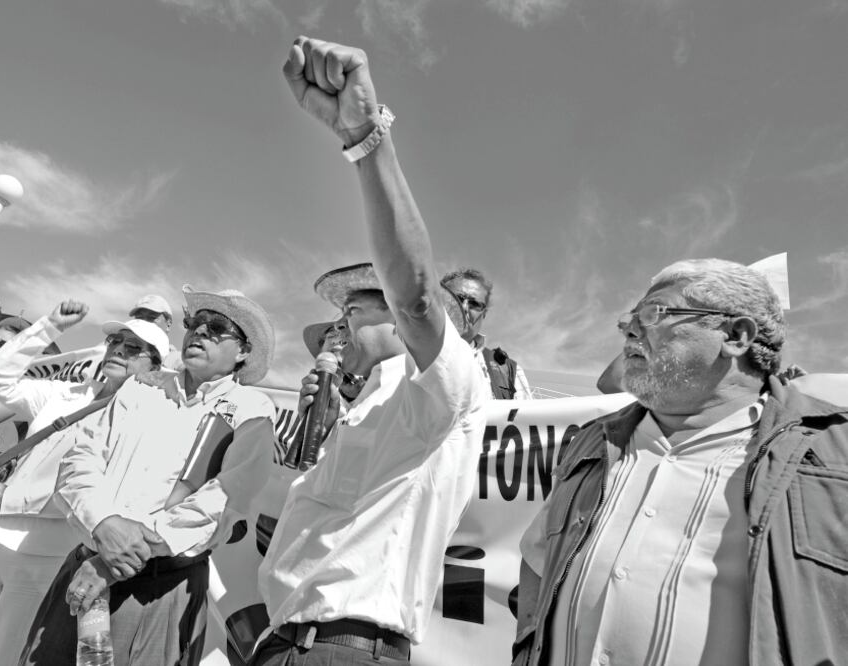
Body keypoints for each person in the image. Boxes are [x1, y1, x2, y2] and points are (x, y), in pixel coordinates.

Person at [252, 38, 490, 666]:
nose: (339, 326)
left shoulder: (444, 385)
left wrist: (364, 141)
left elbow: (414, 295)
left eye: (353, 310)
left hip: (342, 649)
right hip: (293, 642)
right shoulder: (369, 405)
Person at [513, 258, 848, 666]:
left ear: (736, 335)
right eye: (629, 319)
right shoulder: (592, 443)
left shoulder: (828, 454)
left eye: (655, 313)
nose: (631, 329)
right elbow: (536, 560)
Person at [19, 285, 277, 666]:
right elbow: (79, 462)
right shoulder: (141, 387)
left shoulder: (251, 409)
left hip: (160, 586)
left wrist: (116, 561)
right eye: (196, 322)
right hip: (87, 563)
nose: (200, 331)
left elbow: (223, 501)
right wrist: (104, 523)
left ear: (243, 353)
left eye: (217, 327)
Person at [0, 302, 169, 666]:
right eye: (115, 341)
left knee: (2, 660)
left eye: (133, 347)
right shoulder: (65, 394)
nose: (119, 349)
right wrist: (49, 327)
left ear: (155, 365)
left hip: (47, 556)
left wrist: (11, 499)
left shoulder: (147, 419)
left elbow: (106, 495)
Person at [442, 267, 532, 400]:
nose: (464, 308)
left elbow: (525, 418)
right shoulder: (408, 354)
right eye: (457, 299)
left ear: (484, 314)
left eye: (474, 303)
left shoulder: (509, 370)